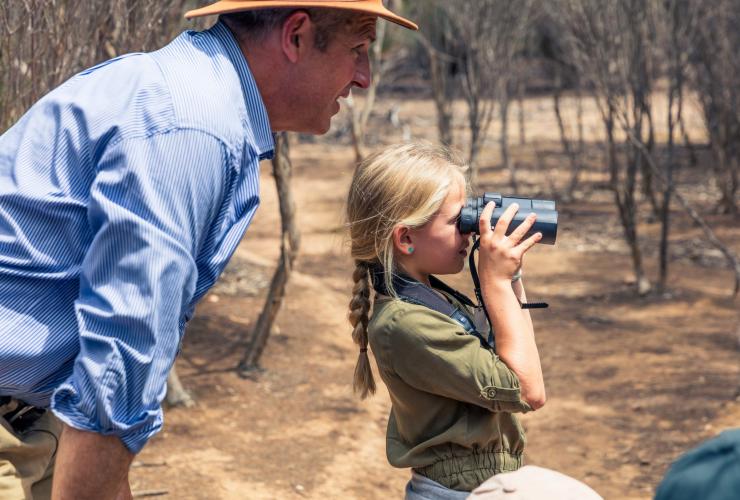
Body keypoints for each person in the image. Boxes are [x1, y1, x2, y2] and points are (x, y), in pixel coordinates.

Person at [0, 1, 417, 499]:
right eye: (358, 49)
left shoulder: (191, 99)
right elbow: (122, 353)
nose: (365, 78)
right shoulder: (193, 127)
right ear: (297, 37)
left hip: (34, 416)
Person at [345, 142, 547, 499]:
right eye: (458, 220)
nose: (470, 231)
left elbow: (519, 356)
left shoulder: (434, 301)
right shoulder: (405, 323)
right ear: (406, 238)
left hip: (479, 486)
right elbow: (527, 389)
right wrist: (496, 282)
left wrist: (510, 277)